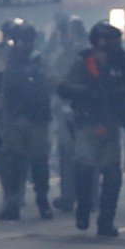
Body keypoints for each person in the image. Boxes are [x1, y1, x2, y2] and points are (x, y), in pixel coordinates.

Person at [57, 21, 125, 236]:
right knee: (85, 171)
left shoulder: (120, 64)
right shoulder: (84, 62)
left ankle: (106, 221)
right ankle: (84, 209)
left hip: (111, 124)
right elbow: (64, 88)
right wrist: (88, 92)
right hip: (87, 123)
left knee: (112, 175)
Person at [0, 19, 54, 220]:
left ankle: (42, 201)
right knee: (14, 162)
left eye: (26, 41)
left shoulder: (40, 61)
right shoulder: (7, 61)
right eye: (20, 41)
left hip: (36, 118)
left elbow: (50, 86)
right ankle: (13, 203)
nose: (23, 45)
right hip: (14, 117)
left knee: (39, 163)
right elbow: (1, 90)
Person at [49, 15, 87, 212]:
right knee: (66, 154)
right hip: (65, 113)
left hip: (86, 113)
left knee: (88, 158)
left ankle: (89, 196)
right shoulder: (58, 57)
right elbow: (53, 82)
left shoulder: (89, 58)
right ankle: (68, 194)